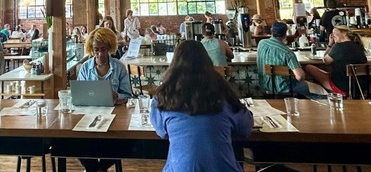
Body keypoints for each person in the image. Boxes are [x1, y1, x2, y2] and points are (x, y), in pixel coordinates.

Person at [150, 40, 253, 172]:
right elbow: (245, 129)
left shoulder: (164, 97)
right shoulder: (223, 93)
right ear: (207, 61)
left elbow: (162, 132)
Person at [77, 27, 133, 172]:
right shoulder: (85, 68)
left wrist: (118, 96)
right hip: (90, 117)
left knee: (122, 143)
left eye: (103, 49)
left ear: (109, 48)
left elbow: (128, 94)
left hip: (115, 118)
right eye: (96, 50)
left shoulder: (119, 67)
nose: (100, 53)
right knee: (76, 142)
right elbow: (79, 95)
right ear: (91, 50)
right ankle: (96, 169)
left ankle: (97, 169)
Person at [256, 22, 317, 97]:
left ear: (272, 31)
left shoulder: (261, 43)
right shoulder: (287, 52)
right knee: (312, 88)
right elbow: (300, 76)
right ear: (285, 34)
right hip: (284, 88)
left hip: (265, 85)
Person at [304, 25, 368, 96]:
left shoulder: (338, 46)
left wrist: (330, 44)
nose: (332, 36)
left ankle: (324, 96)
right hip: (360, 87)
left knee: (308, 67)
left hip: (341, 86)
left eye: (334, 33)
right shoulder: (358, 46)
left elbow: (325, 61)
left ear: (344, 33)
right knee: (327, 72)